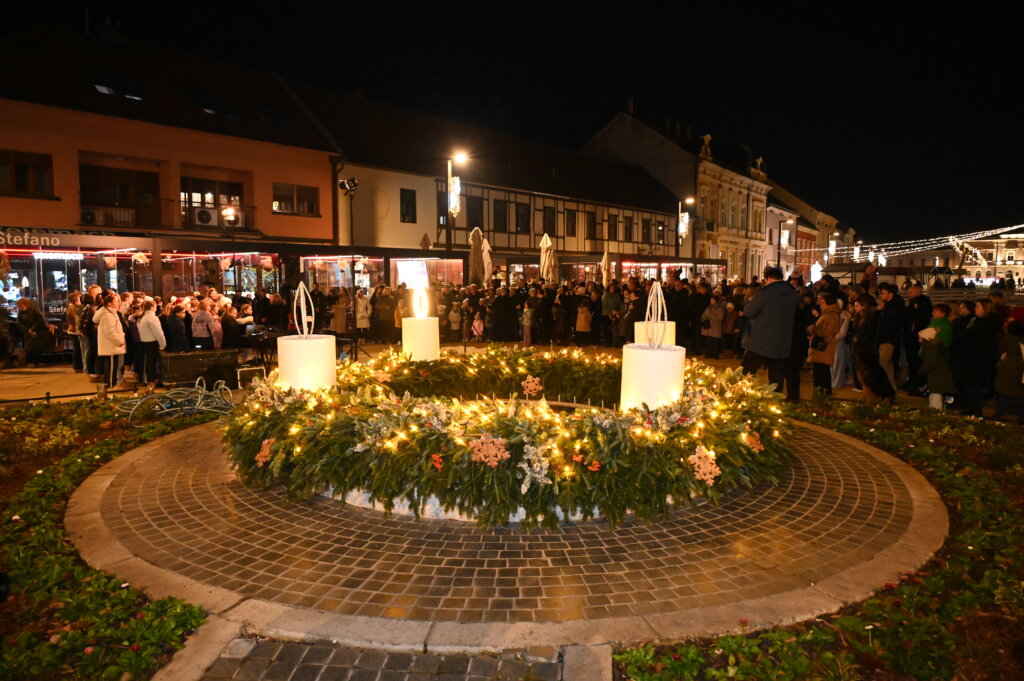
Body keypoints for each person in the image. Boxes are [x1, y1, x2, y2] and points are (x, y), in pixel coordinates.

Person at [740, 266, 798, 392]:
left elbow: (749, 312)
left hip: (761, 339)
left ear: (769, 279)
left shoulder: (765, 292)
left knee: (747, 370)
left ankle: (740, 395)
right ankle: (774, 399)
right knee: (777, 375)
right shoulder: (792, 293)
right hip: (782, 340)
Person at [873, 283, 905, 393]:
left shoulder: (894, 307)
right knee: (886, 364)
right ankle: (890, 386)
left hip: (888, 339)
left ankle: (889, 387)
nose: (881, 295)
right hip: (885, 338)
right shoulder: (889, 306)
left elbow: (890, 325)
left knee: (884, 363)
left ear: (890, 294)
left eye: (883, 293)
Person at [808, 292, 841, 396]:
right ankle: (821, 394)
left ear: (828, 303)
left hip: (823, 348)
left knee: (822, 373)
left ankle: (822, 395)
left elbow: (828, 332)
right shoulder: (827, 314)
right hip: (821, 349)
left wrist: (813, 330)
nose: (820, 304)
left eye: (822, 302)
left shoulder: (831, 315)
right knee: (820, 372)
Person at [917, 326, 955, 411]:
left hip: (937, 375)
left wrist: (921, 371)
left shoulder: (931, 347)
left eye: (921, 337)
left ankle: (935, 412)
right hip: (938, 374)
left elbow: (931, 363)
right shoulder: (934, 345)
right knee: (935, 394)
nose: (919, 339)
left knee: (935, 396)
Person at [994, 317, 1024, 421]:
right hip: (1020, 373)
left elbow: (1000, 349)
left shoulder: (1007, 340)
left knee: (1003, 395)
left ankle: (1001, 415)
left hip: (1006, 371)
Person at [95, 294, 127, 389]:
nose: (118, 303)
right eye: (116, 301)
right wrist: (120, 341)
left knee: (110, 366)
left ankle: (109, 384)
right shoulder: (108, 315)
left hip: (110, 345)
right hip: (111, 346)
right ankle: (111, 385)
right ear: (109, 303)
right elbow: (110, 332)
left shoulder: (109, 313)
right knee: (112, 367)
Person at [136, 300, 165, 390]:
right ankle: (152, 380)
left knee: (149, 361)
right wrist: (163, 344)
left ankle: (150, 380)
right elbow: (158, 333)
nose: (156, 308)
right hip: (153, 342)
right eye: (155, 306)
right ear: (152, 307)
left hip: (145, 341)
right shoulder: (152, 318)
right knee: (152, 362)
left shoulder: (142, 317)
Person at [16, 298, 52, 368]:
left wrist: (33, 328)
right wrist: (27, 330)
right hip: (27, 332)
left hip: (37, 331)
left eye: (21, 305)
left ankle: (38, 361)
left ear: (26, 304)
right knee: (29, 348)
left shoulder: (34, 310)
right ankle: (30, 362)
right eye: (19, 306)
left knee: (38, 347)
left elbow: (39, 321)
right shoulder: (20, 312)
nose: (21, 307)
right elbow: (19, 323)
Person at [700, 294, 725, 359]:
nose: (712, 301)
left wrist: (710, 316)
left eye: (713, 300)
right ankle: (709, 353)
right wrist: (703, 317)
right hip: (708, 327)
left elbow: (720, 318)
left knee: (715, 342)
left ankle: (715, 354)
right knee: (708, 341)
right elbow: (704, 315)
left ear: (716, 301)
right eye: (711, 300)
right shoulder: (708, 308)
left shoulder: (720, 308)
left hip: (715, 328)